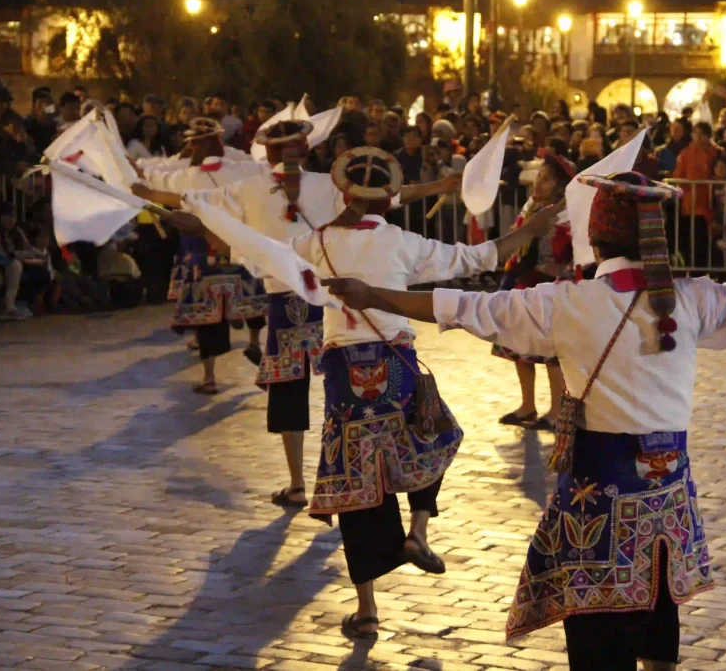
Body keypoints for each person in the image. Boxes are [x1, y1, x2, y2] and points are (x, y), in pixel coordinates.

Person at [321, 171, 726, 671]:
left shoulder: (566, 302)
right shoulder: (694, 298)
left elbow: (459, 307)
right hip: (667, 500)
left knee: (598, 636)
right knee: (660, 613)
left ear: (595, 239)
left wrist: (374, 296)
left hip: (598, 503)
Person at [283, 145, 560, 639]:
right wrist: (530, 231)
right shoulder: (402, 242)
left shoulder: (313, 242)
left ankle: (367, 610)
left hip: (345, 377)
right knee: (435, 434)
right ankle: (418, 530)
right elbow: (475, 256)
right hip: (396, 365)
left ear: (343, 192)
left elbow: (270, 261)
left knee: (356, 484)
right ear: (389, 198)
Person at [134, 120, 465, 510]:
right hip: (336, 300)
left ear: (268, 151)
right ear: (305, 147)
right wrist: (439, 186)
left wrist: (145, 193)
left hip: (286, 299)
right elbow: (388, 194)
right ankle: (384, 475)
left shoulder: (250, 187)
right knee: (358, 390)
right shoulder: (330, 185)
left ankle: (298, 483)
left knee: (289, 390)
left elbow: (192, 201)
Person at [137, 118, 270, 392]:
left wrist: (132, 169)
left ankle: (209, 377)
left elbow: (153, 176)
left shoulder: (185, 176)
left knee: (207, 318)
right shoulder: (242, 168)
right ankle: (254, 341)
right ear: (219, 142)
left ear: (193, 146)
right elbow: (267, 168)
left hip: (202, 254)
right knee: (253, 298)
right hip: (237, 247)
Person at [493, 149, 575, 430]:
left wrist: (560, 269)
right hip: (524, 283)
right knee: (519, 347)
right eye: (539, 176)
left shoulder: (569, 215)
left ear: (560, 186)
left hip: (552, 289)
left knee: (551, 352)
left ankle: (556, 410)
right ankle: (527, 405)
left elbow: (578, 255)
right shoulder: (531, 208)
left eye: (547, 179)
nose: (539, 183)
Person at [673, 122, 718, 269]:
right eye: (695, 133)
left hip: (712, 206)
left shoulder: (716, 152)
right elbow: (678, 177)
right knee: (694, 245)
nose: (697, 137)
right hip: (691, 206)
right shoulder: (686, 154)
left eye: (700, 134)